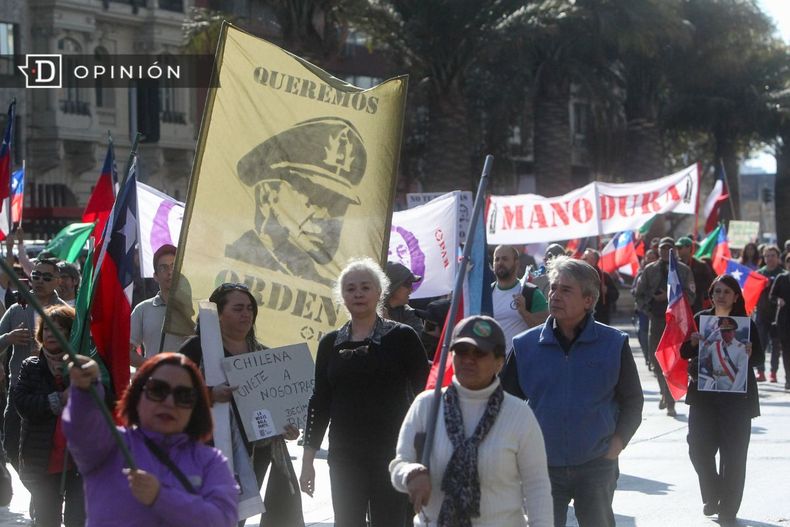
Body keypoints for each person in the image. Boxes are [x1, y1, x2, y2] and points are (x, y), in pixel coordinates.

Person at [501, 256, 644, 527]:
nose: (555, 295)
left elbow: (633, 401)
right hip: (541, 467)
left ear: (588, 300)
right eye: (553, 288)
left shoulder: (613, 343)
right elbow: (504, 403)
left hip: (597, 465)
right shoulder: (525, 345)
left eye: (566, 290)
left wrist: (617, 444)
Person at [300, 257, 429, 527]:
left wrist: (425, 453)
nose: (358, 293)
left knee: (390, 522)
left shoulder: (403, 337)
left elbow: (425, 396)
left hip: (393, 453)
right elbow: (320, 402)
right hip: (344, 454)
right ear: (341, 296)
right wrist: (308, 459)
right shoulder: (329, 343)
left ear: (379, 292)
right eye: (350, 288)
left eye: (365, 287)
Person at [389, 315, 553, 526]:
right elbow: (399, 465)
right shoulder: (427, 405)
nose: (468, 359)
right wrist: (410, 474)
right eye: (461, 351)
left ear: (499, 362)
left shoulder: (518, 414)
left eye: (480, 353)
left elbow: (537, 485)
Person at [179, 283, 304, 527]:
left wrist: (287, 427)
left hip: (255, 454)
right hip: (205, 453)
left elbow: (277, 408)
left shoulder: (265, 357)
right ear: (218, 313)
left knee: (235, 520)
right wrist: (209, 394)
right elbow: (171, 395)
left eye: (249, 309)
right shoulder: (195, 349)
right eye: (238, 309)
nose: (246, 314)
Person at [63, 352, 238, 526]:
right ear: (137, 395)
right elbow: (81, 429)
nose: (169, 402)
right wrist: (85, 390)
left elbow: (223, 520)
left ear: (195, 407)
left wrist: (161, 497)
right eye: (157, 390)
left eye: (183, 396)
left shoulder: (211, 462)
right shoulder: (109, 446)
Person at [225, 118, 366, 287]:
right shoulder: (231, 266)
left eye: (339, 204)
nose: (325, 215)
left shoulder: (333, 292)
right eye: (314, 197)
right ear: (266, 196)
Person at [680, 275, 763, 522]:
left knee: (734, 455)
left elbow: (758, 358)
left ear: (736, 296)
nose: (721, 296)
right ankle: (712, 493)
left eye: (727, 292)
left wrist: (749, 352)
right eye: (717, 291)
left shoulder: (746, 323)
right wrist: (693, 343)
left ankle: (728, 509)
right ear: (711, 294)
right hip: (704, 397)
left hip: (737, 400)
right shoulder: (700, 320)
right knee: (698, 448)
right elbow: (684, 352)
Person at [13, 305, 84, 527]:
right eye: (47, 330)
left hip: (77, 463)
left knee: (77, 520)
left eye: (58, 329)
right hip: (43, 461)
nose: (51, 335)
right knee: (46, 520)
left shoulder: (85, 367)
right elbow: (22, 404)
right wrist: (57, 399)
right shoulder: (31, 367)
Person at [0, 257, 68, 473]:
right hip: (20, 389)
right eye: (36, 276)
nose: (39, 281)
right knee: (11, 442)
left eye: (47, 277)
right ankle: (31, 484)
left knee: (45, 448)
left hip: (53, 391)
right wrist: (8, 339)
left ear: (58, 281)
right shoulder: (17, 309)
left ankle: (40, 492)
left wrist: (50, 352)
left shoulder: (66, 313)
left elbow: (78, 350)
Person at [634, 238, 695, 417]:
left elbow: (691, 295)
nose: (665, 251)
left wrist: (670, 299)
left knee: (675, 360)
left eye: (669, 248)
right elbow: (639, 294)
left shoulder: (683, 271)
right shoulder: (650, 270)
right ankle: (664, 392)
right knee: (658, 359)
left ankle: (670, 400)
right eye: (662, 248)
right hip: (657, 320)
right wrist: (650, 308)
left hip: (677, 323)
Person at [130, 245, 189, 368]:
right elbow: (126, 351)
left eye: (174, 266)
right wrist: (153, 367)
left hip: (191, 384)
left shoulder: (196, 309)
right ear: (155, 276)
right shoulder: (142, 310)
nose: (170, 271)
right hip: (156, 384)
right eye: (163, 268)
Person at [491, 245, 548, 351]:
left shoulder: (531, 293)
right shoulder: (486, 294)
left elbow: (545, 331)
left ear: (516, 263)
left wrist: (524, 313)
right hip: (492, 365)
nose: (500, 263)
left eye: (505, 259)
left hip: (519, 364)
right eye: (497, 259)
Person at [696, 317, 750, 392]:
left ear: (734, 331)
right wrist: (708, 340)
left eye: (728, 331)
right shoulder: (715, 345)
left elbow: (742, 373)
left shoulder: (742, 348)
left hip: (731, 385)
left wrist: (734, 391)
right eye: (723, 331)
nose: (725, 334)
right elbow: (701, 356)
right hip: (714, 386)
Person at [755, 245, 783, 382]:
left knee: (776, 345)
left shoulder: (782, 274)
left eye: (773, 255)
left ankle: (774, 372)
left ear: (778, 257)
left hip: (778, 314)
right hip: (761, 313)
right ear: (764, 258)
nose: (770, 258)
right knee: (760, 343)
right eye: (767, 256)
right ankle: (761, 371)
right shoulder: (759, 274)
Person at [633, 249, 659, 368]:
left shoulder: (661, 272)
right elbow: (635, 291)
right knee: (643, 335)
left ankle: (654, 360)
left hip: (657, 312)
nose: (651, 259)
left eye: (653, 257)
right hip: (643, 311)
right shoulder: (641, 274)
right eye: (648, 257)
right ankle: (648, 358)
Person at [675, 237, 714, 314]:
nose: (677, 250)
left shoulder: (701, 265)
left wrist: (693, 285)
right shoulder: (675, 265)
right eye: (677, 248)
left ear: (689, 248)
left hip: (697, 304)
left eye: (680, 247)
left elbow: (710, 283)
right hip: (678, 303)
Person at [383, 262, 424, 335]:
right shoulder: (368, 308)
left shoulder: (410, 315)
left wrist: (388, 322)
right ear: (393, 286)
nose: (411, 289)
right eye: (408, 284)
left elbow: (411, 343)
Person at [768, 252, 790, 390]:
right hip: (784, 320)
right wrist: (778, 300)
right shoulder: (781, 278)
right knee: (787, 351)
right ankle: (788, 379)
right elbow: (772, 295)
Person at [581, 248, 619, 325]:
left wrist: (607, 290)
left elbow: (615, 295)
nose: (582, 260)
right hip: (582, 316)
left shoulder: (604, 276)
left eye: (585, 258)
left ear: (593, 260)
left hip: (601, 317)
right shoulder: (579, 276)